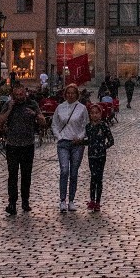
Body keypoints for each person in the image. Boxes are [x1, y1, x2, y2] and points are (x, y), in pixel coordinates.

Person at [0, 83, 45, 216]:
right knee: (12, 175)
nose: (19, 97)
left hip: (27, 145)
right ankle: (12, 203)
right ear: (13, 95)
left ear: (25, 93)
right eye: (16, 95)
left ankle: (25, 200)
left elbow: (43, 122)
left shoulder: (32, 104)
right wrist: (9, 110)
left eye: (21, 94)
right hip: (12, 145)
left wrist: (35, 114)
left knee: (26, 174)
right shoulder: (8, 105)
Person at [51, 83, 88, 211]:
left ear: (77, 94)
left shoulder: (82, 108)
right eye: (68, 93)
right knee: (64, 170)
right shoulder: (60, 108)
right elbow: (54, 124)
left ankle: (71, 200)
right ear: (65, 94)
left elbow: (85, 125)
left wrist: (80, 137)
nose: (70, 95)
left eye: (73, 93)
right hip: (63, 143)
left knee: (73, 172)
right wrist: (59, 136)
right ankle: (62, 200)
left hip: (77, 144)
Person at [84, 104, 114, 211]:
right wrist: (79, 142)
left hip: (101, 155)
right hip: (91, 155)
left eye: (97, 113)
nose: (94, 115)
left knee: (99, 178)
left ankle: (98, 201)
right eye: (92, 113)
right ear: (90, 115)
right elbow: (87, 140)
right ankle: (92, 200)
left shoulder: (104, 125)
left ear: (100, 114)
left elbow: (111, 140)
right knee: (93, 177)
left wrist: (104, 147)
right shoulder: (88, 127)